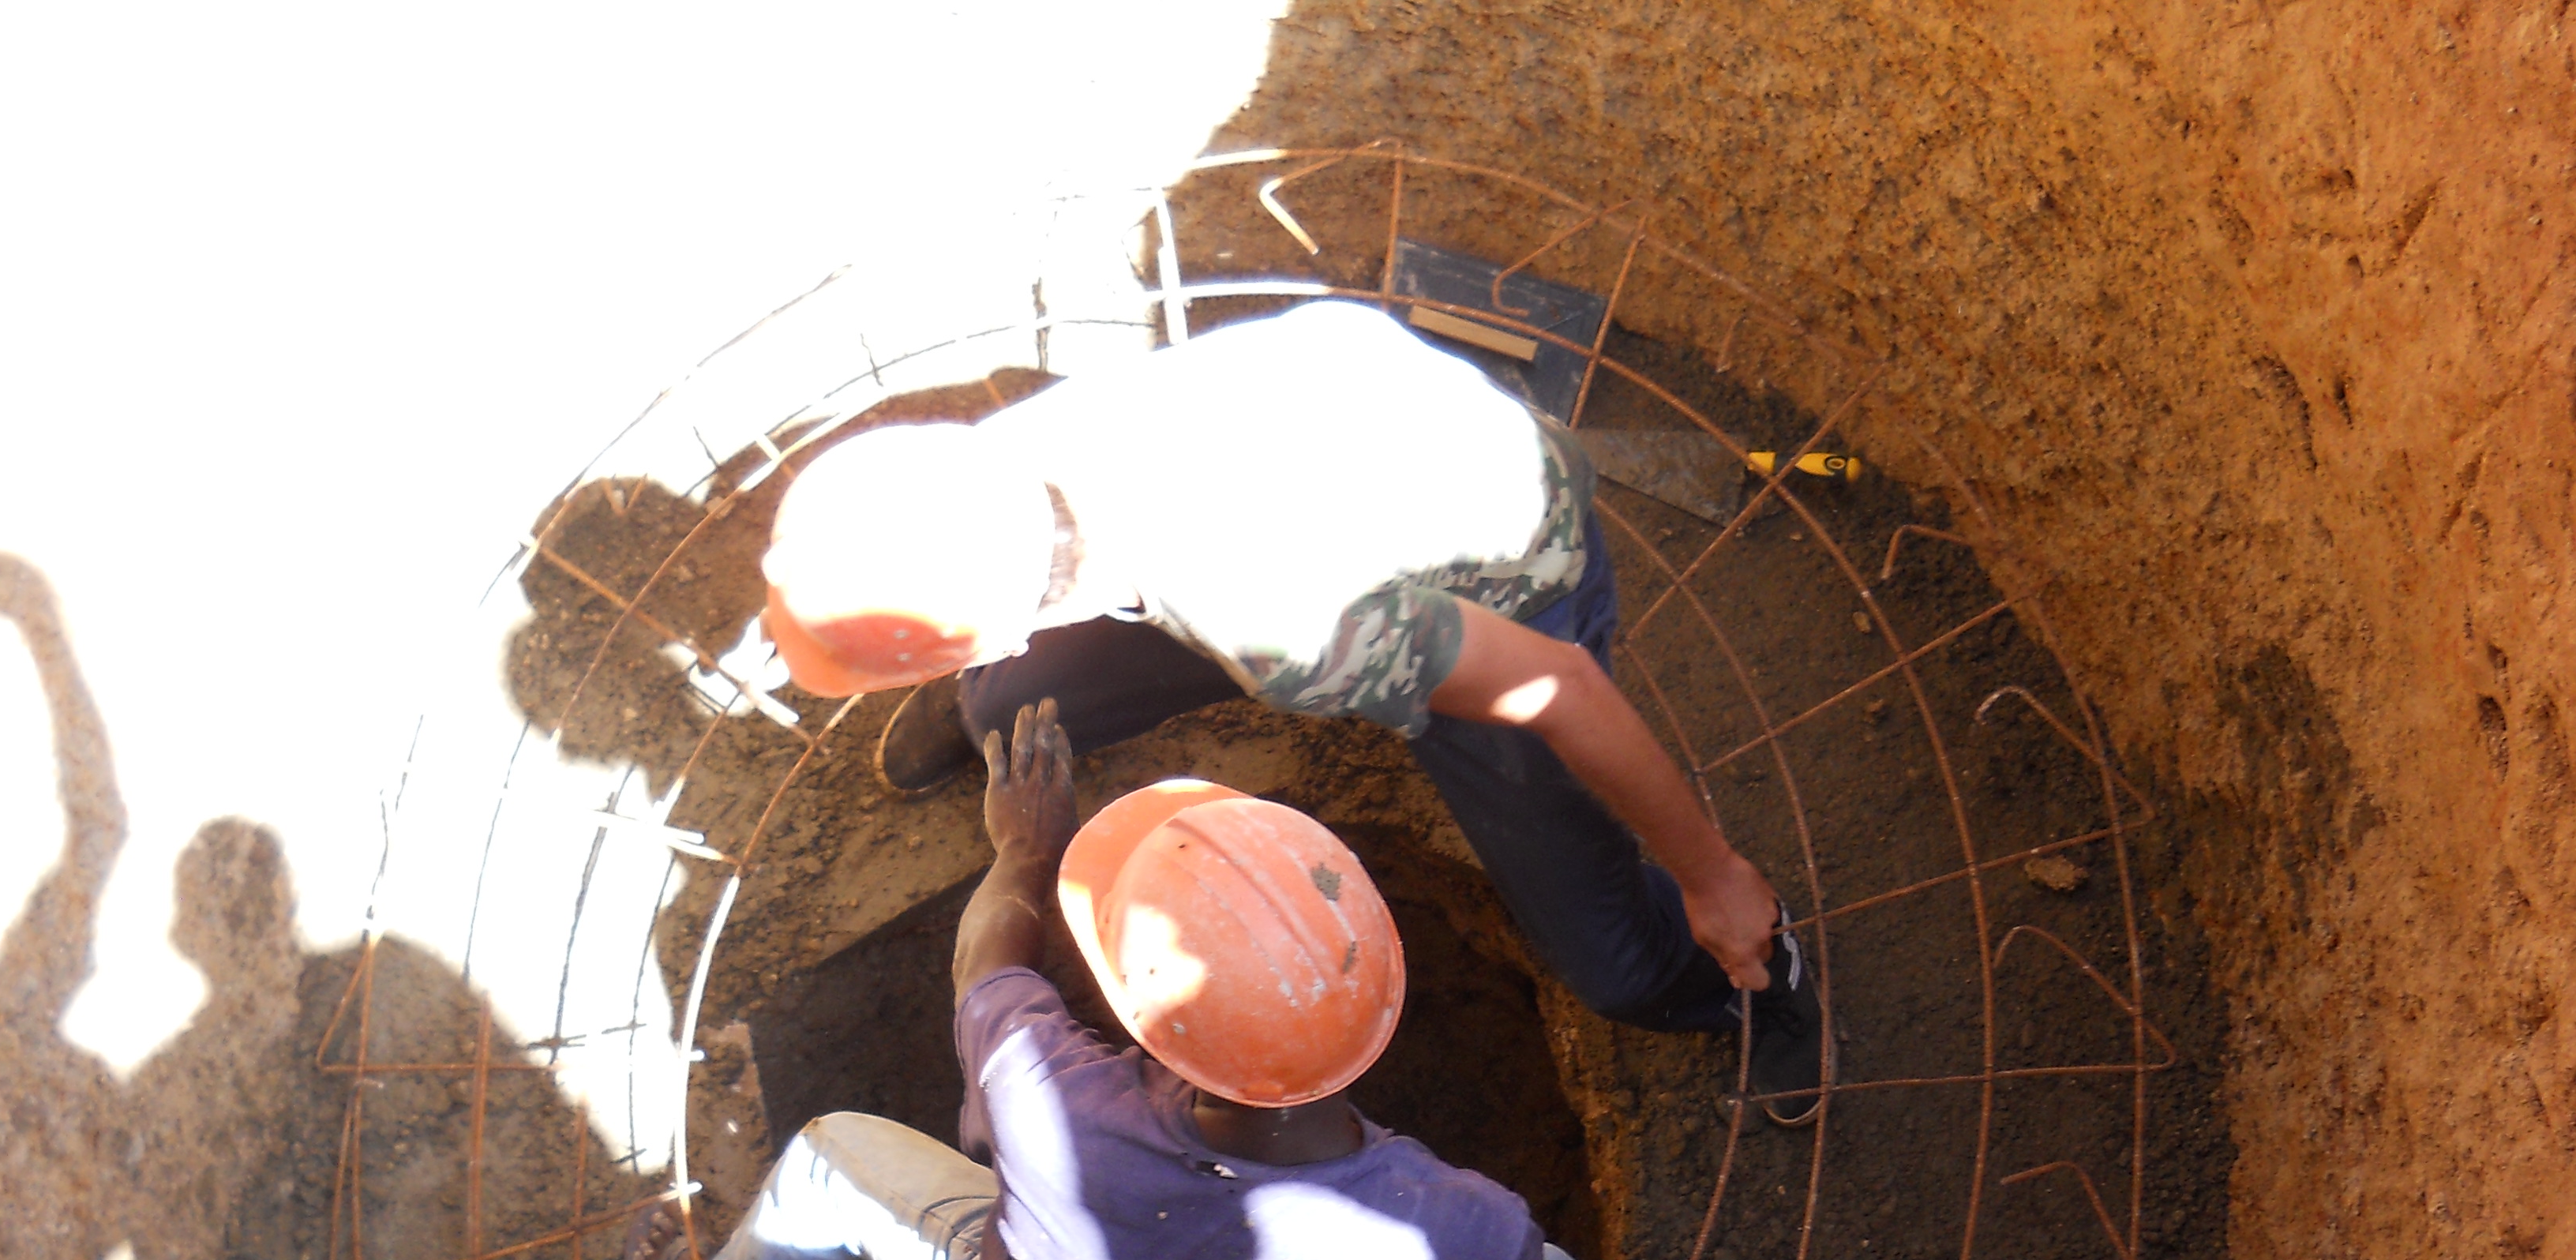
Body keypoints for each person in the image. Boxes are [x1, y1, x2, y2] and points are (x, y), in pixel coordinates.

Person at [625, 701, 1834, 1260]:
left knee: (834, 1161)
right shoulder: (1460, 1236)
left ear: (1152, 1027)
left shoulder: (1049, 1096)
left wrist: (1021, 850)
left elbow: (988, 962)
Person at [753, 298, 1832, 1124]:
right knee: (1013, 702)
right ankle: (985, 701)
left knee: (1613, 967)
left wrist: (1712, 874)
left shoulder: (1281, 622)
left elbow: (1563, 686)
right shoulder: (1000, 465)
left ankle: (1754, 984)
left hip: (1502, 569)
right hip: (1338, 489)